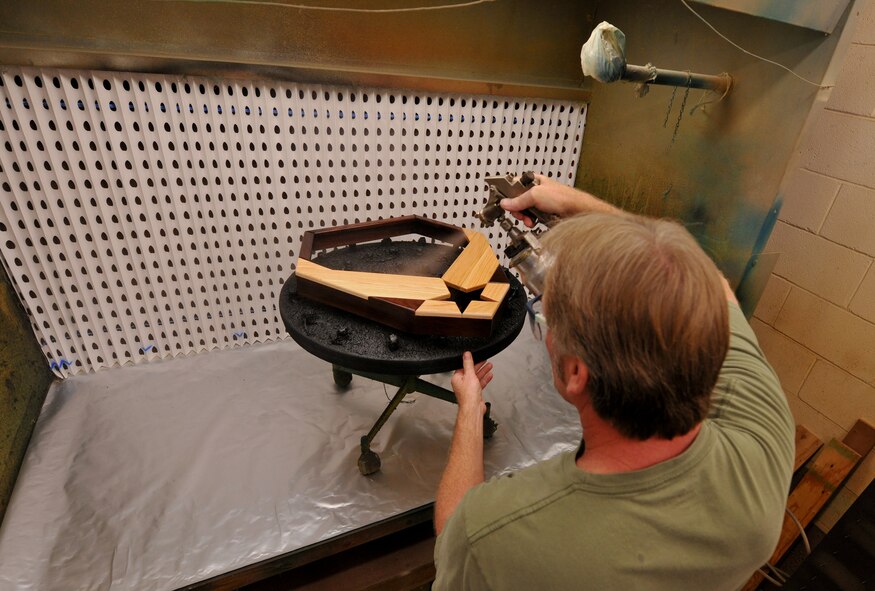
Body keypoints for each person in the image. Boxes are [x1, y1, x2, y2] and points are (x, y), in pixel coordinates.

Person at [432, 174, 795, 590]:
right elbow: (706, 282)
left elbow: (454, 534)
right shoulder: (759, 461)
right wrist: (573, 204)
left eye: (549, 320)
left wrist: (470, 412)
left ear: (575, 374)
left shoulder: (498, 537)